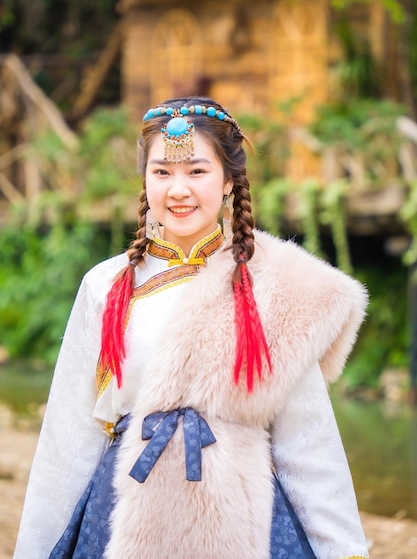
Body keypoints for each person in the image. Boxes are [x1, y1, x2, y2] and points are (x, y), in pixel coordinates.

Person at [14, 96, 369, 559]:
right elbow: (70, 438)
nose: (178, 189)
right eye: (162, 172)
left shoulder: (275, 284)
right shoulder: (106, 286)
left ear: (227, 182)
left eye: (196, 172)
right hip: (123, 518)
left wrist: (343, 549)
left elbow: (307, 442)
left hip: (242, 522)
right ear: (144, 181)